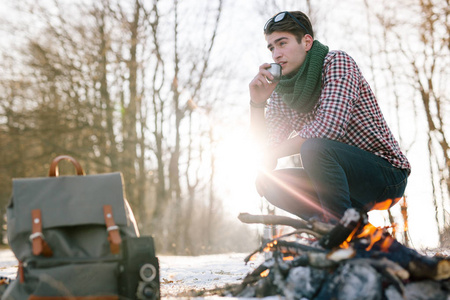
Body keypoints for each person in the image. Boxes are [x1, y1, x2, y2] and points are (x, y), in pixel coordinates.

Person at [249, 11, 411, 223]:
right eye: (271, 48)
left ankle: (341, 230)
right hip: (332, 179)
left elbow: (329, 128)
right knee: (269, 182)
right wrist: (258, 104)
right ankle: (332, 227)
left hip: (385, 176)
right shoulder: (282, 91)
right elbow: (265, 150)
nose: (275, 54)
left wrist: (272, 153)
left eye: (282, 43)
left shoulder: (336, 62)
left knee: (314, 147)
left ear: (306, 42)